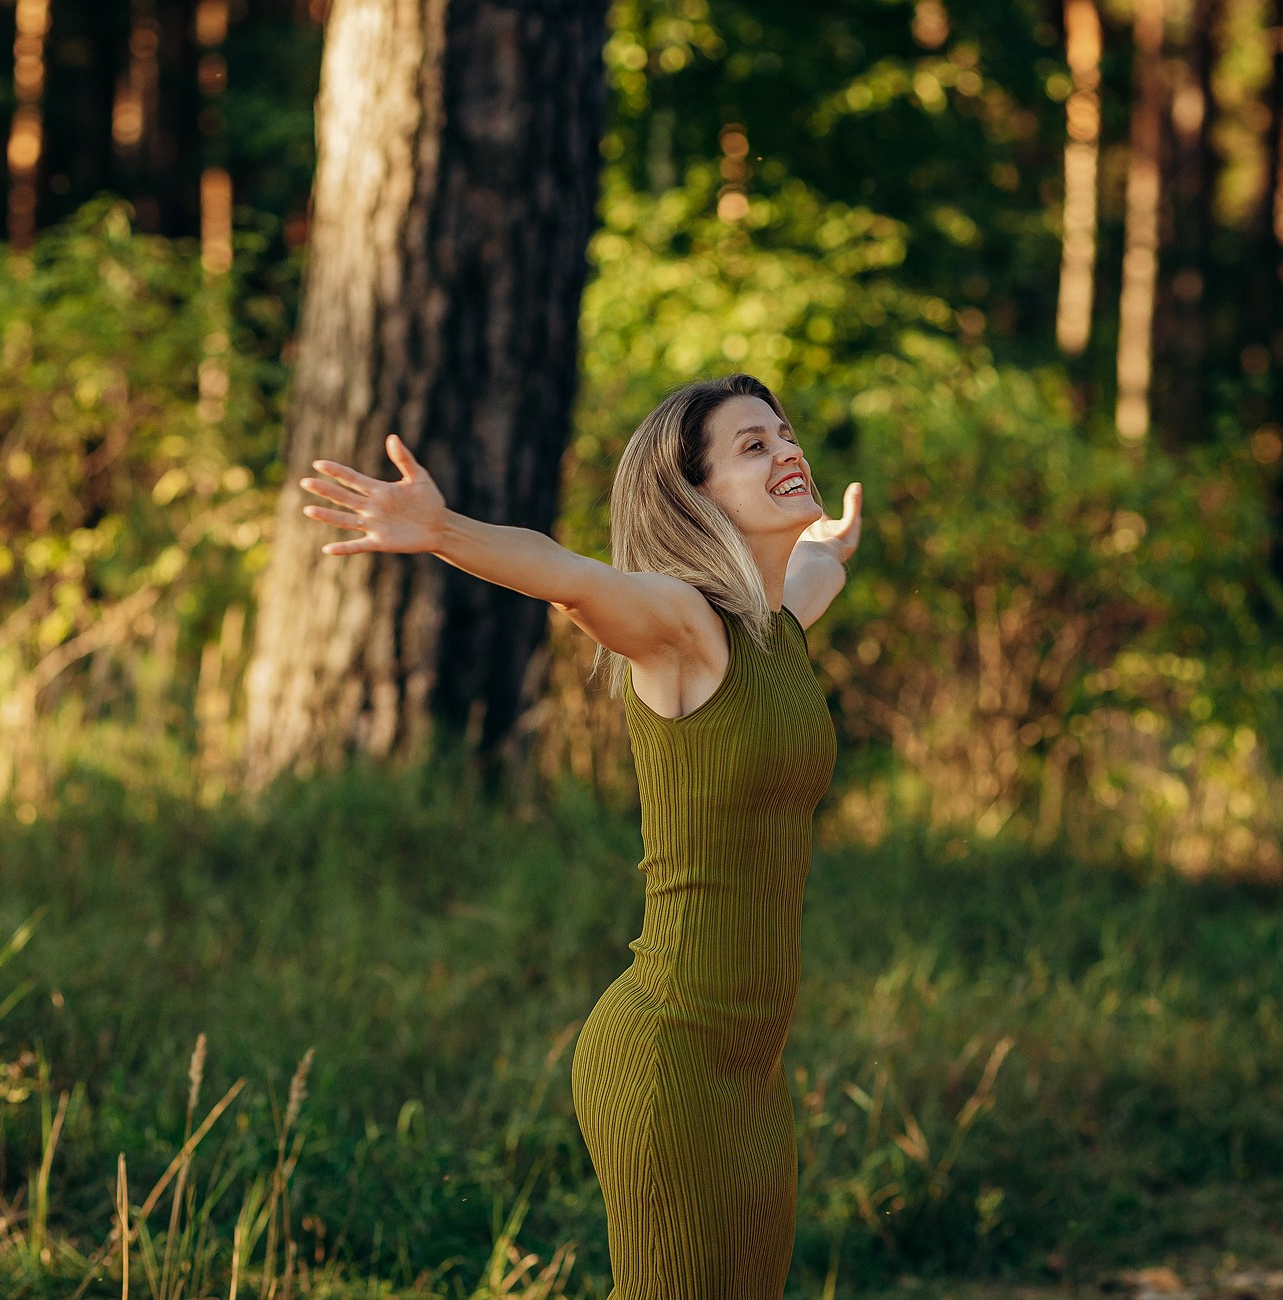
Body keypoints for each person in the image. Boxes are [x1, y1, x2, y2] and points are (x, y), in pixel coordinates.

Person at [297, 373, 861, 1298]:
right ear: (694, 496)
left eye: (785, 433)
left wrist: (831, 545)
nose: (787, 451)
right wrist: (444, 532)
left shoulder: (777, 631)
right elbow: (570, 578)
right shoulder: (684, 628)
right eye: (751, 447)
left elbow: (812, 574)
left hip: (752, 1070)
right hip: (668, 1056)